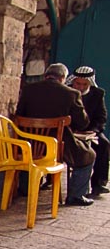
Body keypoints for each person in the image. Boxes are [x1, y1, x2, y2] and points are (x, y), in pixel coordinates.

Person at [16, 63, 96, 206]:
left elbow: (19, 115)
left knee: (31, 155)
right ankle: (76, 196)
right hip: (57, 145)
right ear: (63, 78)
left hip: (29, 143)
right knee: (88, 154)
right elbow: (83, 123)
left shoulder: (28, 90)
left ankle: (25, 188)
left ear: (46, 75)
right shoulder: (71, 94)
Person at [67, 66, 109, 196]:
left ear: (89, 83)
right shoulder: (66, 92)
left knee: (104, 144)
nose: (80, 87)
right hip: (69, 130)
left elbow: (101, 117)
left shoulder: (98, 94)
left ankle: (98, 183)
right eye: (77, 83)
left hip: (90, 130)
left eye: (84, 84)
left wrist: (93, 131)